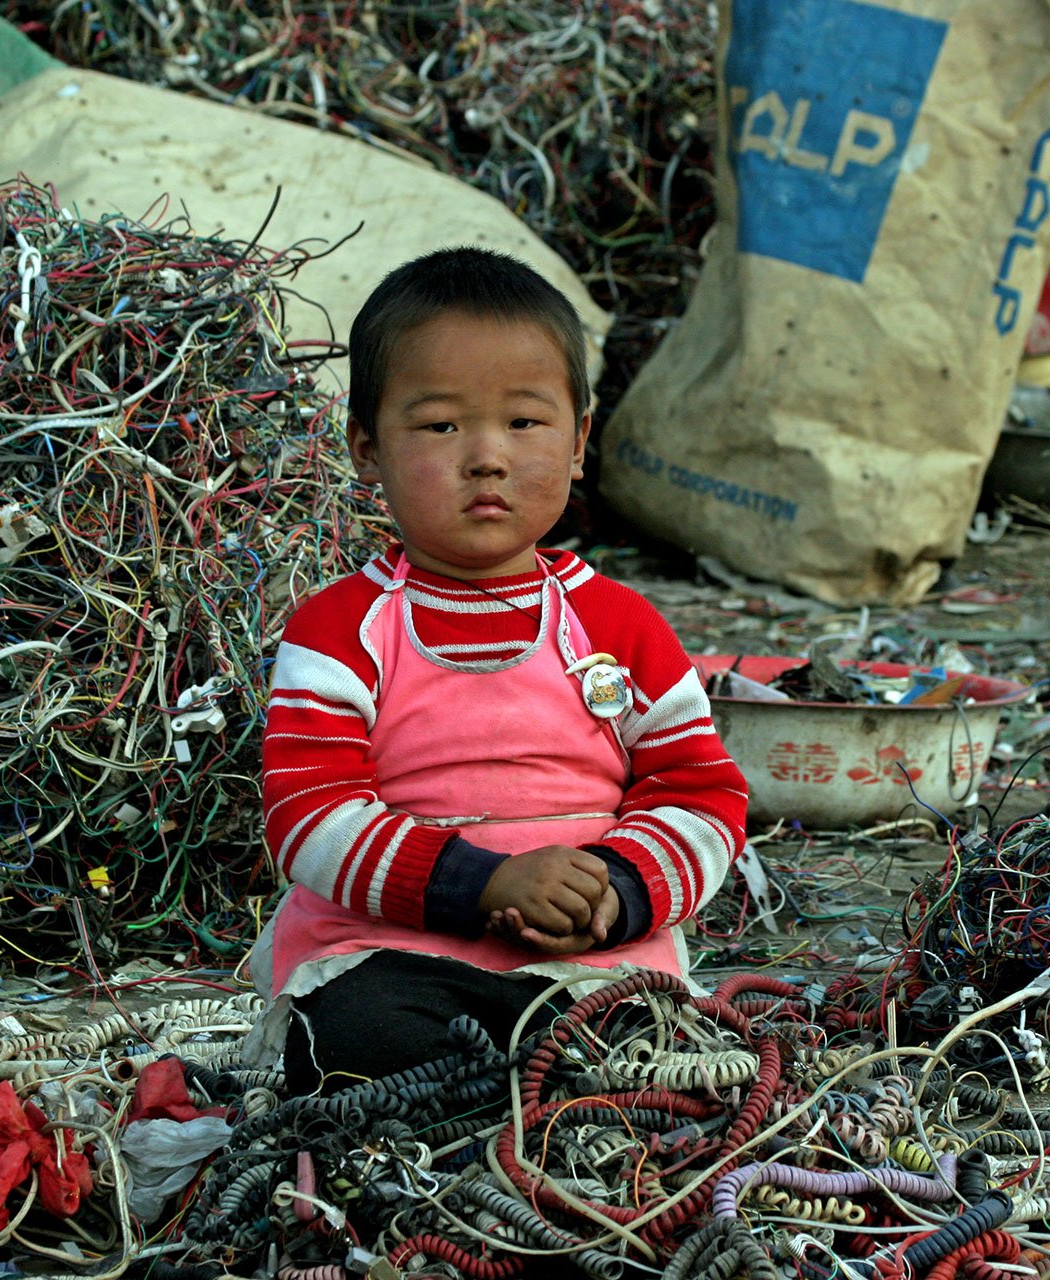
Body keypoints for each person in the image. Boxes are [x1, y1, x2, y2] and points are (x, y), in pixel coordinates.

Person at [253, 246, 748, 1094]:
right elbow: (310, 815)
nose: (487, 456)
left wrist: (616, 891)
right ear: (367, 449)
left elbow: (702, 795)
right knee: (347, 1041)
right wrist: (480, 884)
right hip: (394, 956)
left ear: (581, 440)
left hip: (594, 965)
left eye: (524, 424)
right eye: (441, 426)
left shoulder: (621, 625)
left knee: (647, 1055)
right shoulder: (339, 630)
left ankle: (542, 1077)